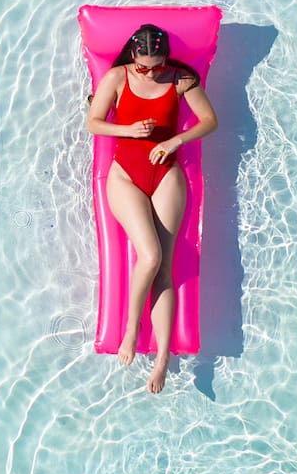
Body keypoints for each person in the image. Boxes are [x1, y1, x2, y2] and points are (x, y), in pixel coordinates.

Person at [84, 23, 218, 393]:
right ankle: (132, 328)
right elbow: (93, 122)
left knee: (165, 268)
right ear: (133, 55)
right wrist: (129, 131)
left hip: (166, 174)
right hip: (126, 175)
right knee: (150, 255)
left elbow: (210, 121)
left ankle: (162, 360)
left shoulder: (180, 79)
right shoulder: (117, 76)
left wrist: (176, 140)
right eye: (144, 66)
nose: (150, 72)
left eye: (157, 65)